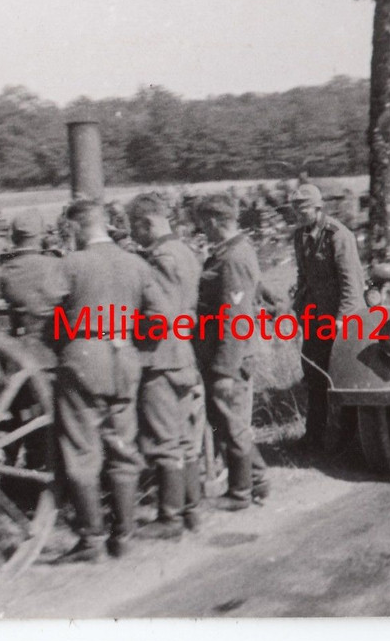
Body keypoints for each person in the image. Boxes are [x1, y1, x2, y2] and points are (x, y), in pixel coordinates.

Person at [54, 199, 169, 562]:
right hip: (124, 358)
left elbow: (45, 311)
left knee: (82, 452)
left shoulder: (70, 264)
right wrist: (131, 335)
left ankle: (91, 540)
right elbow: (161, 316)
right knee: (123, 447)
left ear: (75, 228)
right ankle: (125, 535)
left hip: (83, 359)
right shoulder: (136, 263)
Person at [127, 193, 206, 537]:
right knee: (186, 438)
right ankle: (191, 511)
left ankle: (169, 519)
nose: (133, 235)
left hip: (160, 357)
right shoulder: (186, 251)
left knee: (164, 441)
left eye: (135, 227)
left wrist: (130, 328)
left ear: (148, 223)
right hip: (184, 355)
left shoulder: (159, 258)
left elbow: (160, 316)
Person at [194, 193, 270, 510]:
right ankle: (258, 479)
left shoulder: (234, 258)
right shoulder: (228, 253)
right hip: (224, 354)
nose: (200, 230)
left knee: (231, 422)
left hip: (232, 357)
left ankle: (241, 493)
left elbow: (235, 319)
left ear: (214, 221)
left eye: (201, 223)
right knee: (226, 420)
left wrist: (225, 370)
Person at [290, 184, 366, 449]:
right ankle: (315, 435)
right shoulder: (299, 236)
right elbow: (304, 276)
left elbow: (351, 283)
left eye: (303, 209)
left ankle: (347, 437)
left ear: (318, 208)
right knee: (313, 374)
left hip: (338, 318)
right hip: (314, 317)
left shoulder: (338, 235)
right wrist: (299, 308)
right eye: (295, 209)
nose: (298, 214)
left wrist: (342, 322)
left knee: (341, 376)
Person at [0, 209, 66, 370]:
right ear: (40, 236)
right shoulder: (56, 265)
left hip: (21, 352)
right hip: (55, 348)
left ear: (14, 238)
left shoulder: (3, 272)